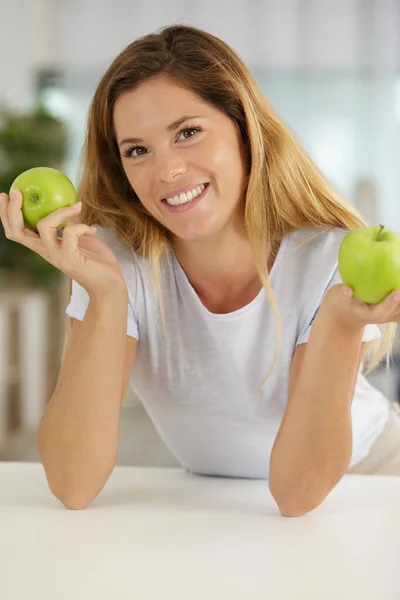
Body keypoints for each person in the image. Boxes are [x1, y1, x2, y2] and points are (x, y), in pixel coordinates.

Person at [1, 24, 400, 517]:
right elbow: (72, 483)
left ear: (243, 130)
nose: (166, 170)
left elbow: (297, 494)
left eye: (187, 133)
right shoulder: (117, 261)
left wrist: (340, 322)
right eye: (137, 150)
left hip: (370, 477)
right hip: (215, 497)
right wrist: (107, 297)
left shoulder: (327, 259)